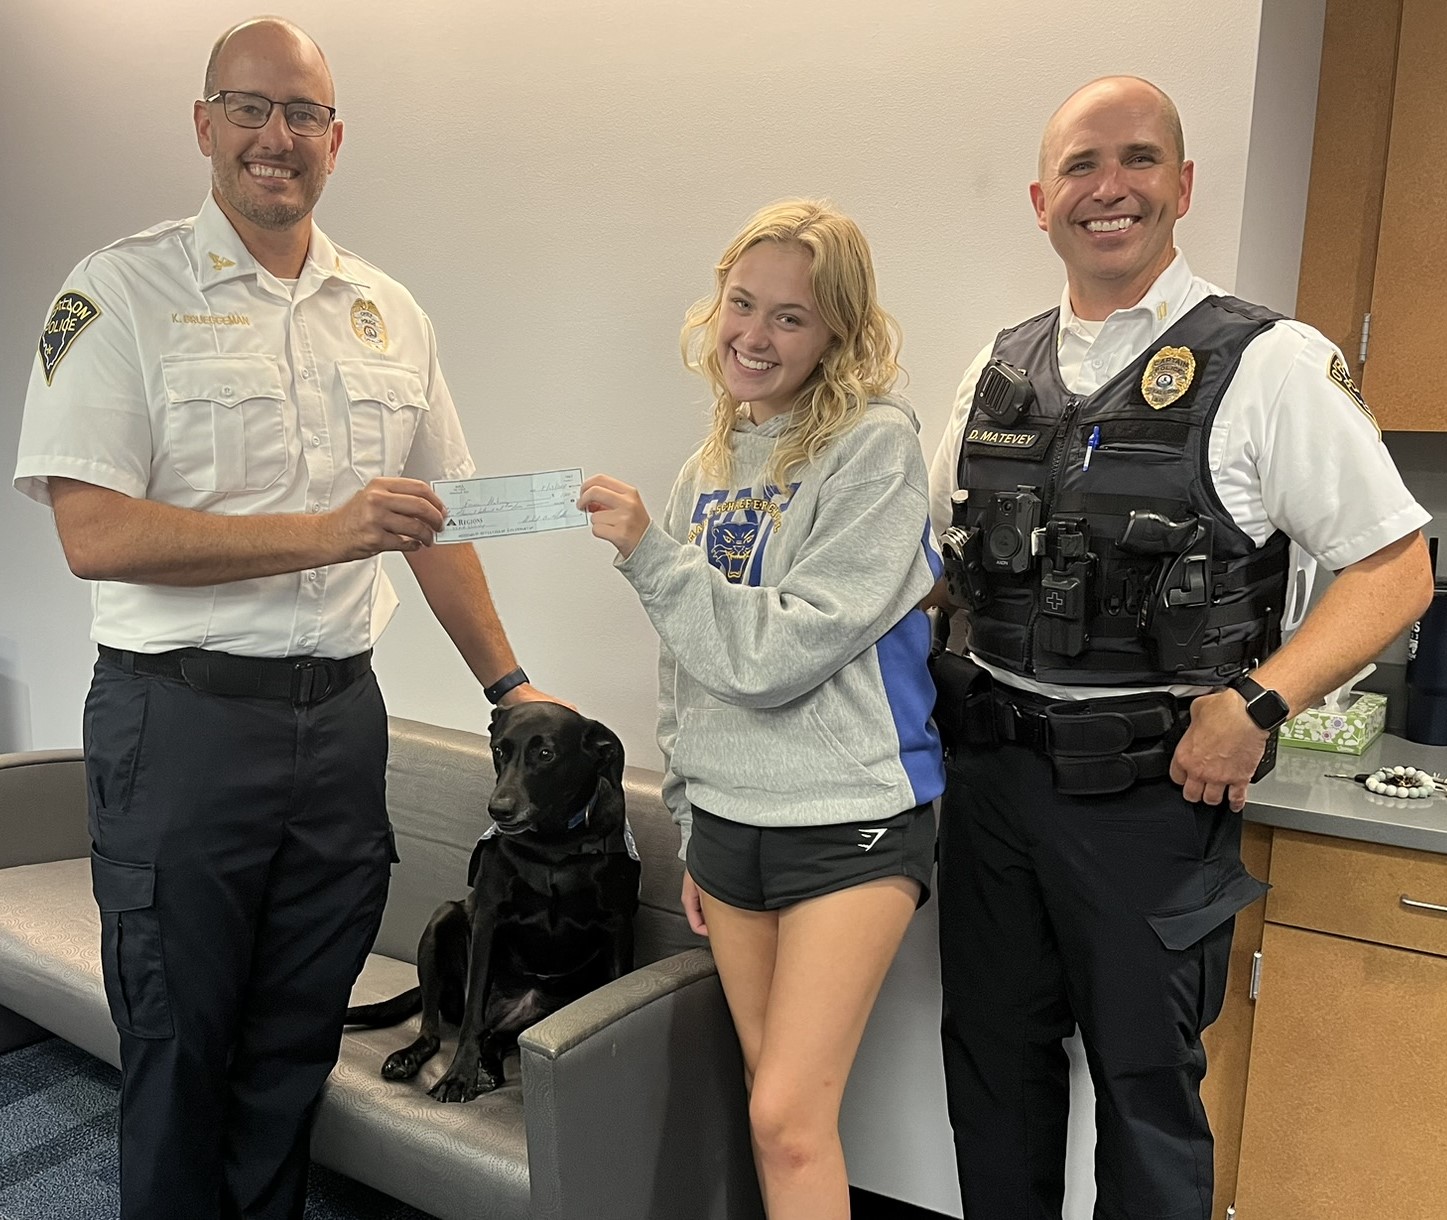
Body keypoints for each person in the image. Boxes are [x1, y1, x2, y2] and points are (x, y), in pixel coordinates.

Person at [13, 18, 552, 1220]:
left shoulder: (387, 311)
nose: (277, 137)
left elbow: (438, 519)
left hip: (339, 725)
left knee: (292, 1041)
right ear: (203, 126)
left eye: (303, 114)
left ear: (336, 139)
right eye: (249, 108)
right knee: (179, 1039)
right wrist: (326, 530)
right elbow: (93, 530)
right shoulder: (119, 291)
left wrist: (509, 685)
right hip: (181, 726)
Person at [926, 75, 1435, 1219]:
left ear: (1184, 185)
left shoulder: (1268, 364)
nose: (1110, 188)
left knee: (1146, 1097)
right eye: (1081, 166)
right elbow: (943, 567)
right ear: (1039, 199)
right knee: (991, 1074)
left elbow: (1396, 565)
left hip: (1149, 793)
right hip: (995, 781)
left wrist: (1257, 703)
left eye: (1140, 160)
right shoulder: (991, 368)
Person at [578, 200, 944, 1219]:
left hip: (849, 820)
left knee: (786, 1113)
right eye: (743, 304)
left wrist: (650, 554)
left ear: (837, 332)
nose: (753, 334)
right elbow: (688, 667)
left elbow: (783, 649)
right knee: (774, 1112)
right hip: (733, 824)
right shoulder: (708, 468)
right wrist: (691, 816)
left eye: (791, 316)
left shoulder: (874, 451)